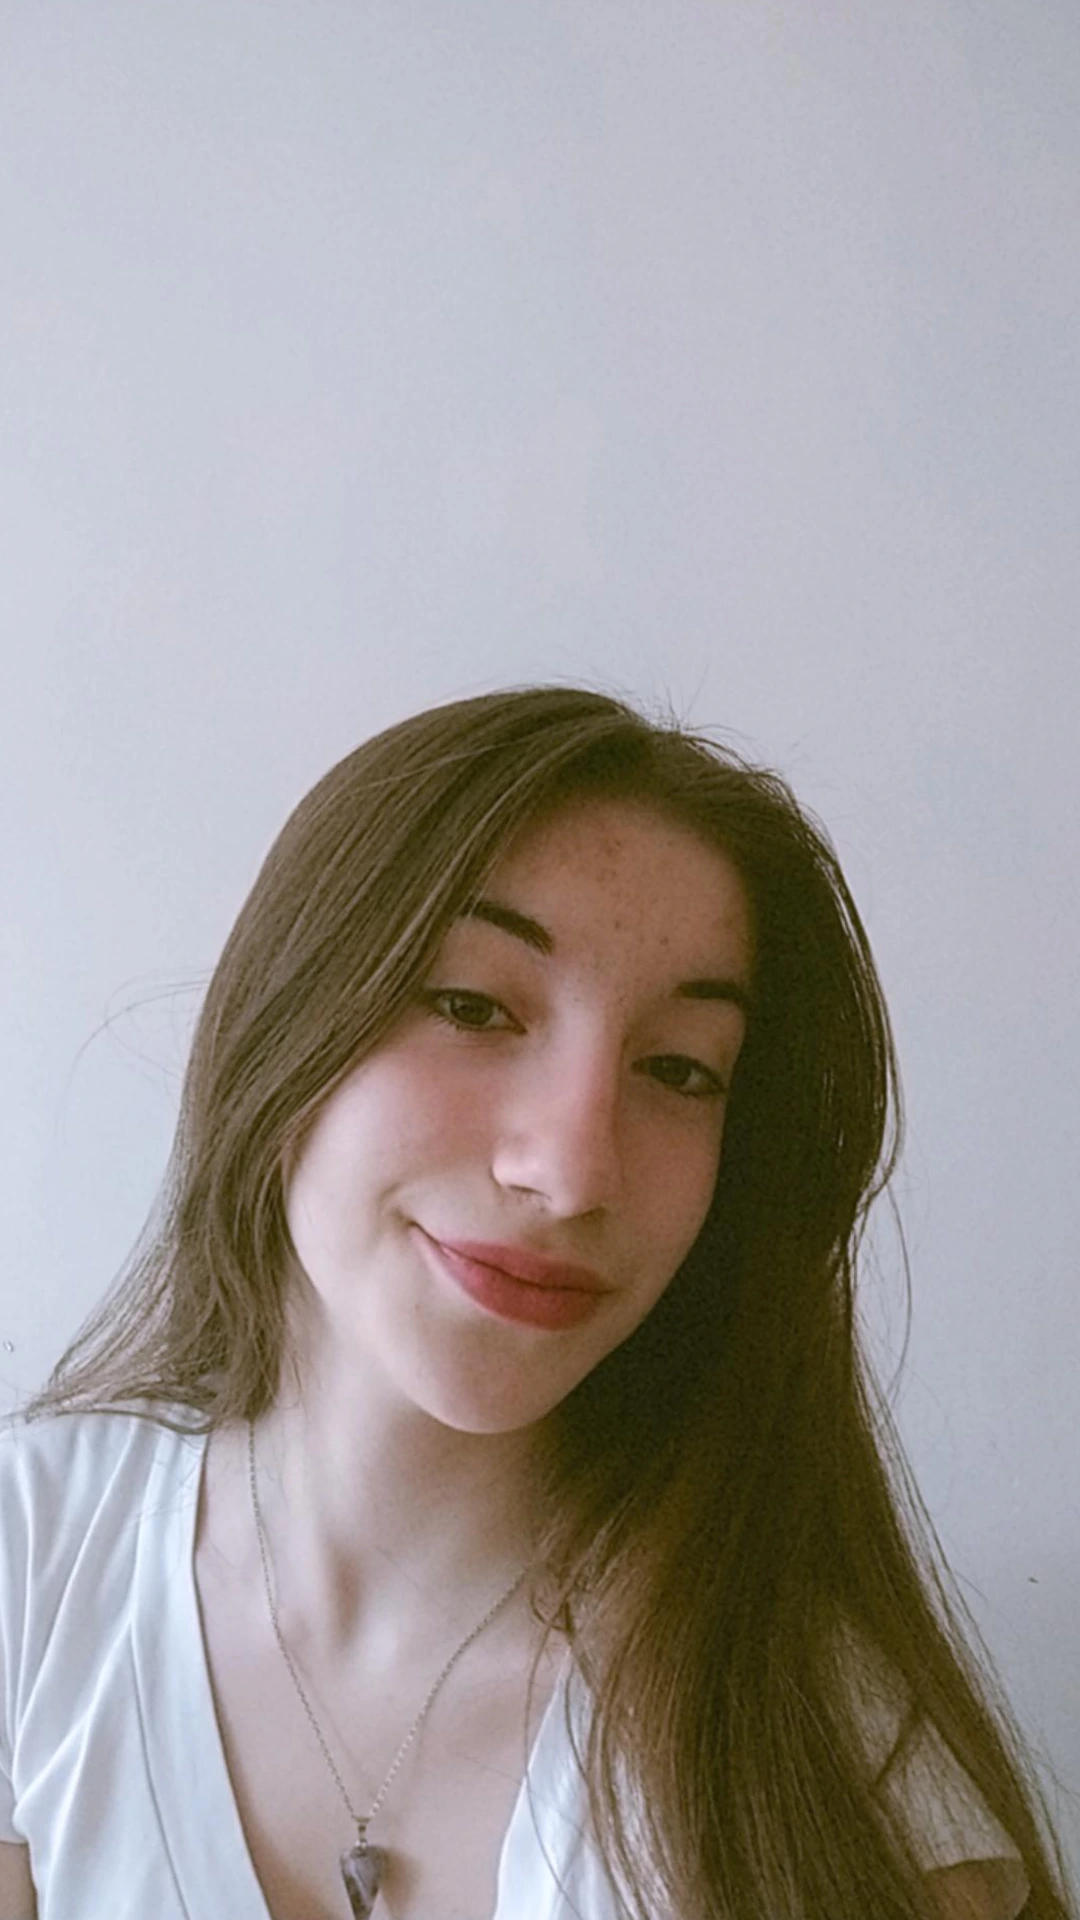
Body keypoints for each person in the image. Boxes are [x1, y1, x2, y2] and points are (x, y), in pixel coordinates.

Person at [1, 682, 1074, 1920]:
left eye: (679, 1070)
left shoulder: (819, 1759)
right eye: (473, 1007)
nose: (571, 1171)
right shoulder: (35, 1568)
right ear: (287, 1019)